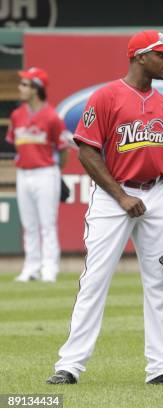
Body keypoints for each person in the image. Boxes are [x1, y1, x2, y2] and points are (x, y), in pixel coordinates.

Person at [46, 30, 163, 385]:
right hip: (114, 195)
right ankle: (69, 365)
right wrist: (120, 197)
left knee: (159, 281)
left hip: (155, 194)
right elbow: (87, 151)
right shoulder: (106, 97)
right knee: (95, 279)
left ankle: (161, 368)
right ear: (141, 56)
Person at [7, 67, 71, 283]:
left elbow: (63, 151)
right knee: (29, 224)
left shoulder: (51, 116)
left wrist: (55, 173)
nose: (20, 88)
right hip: (23, 173)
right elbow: (15, 145)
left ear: (36, 89)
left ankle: (49, 268)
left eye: (25, 84)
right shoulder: (17, 115)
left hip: (45, 172)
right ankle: (31, 267)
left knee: (47, 224)